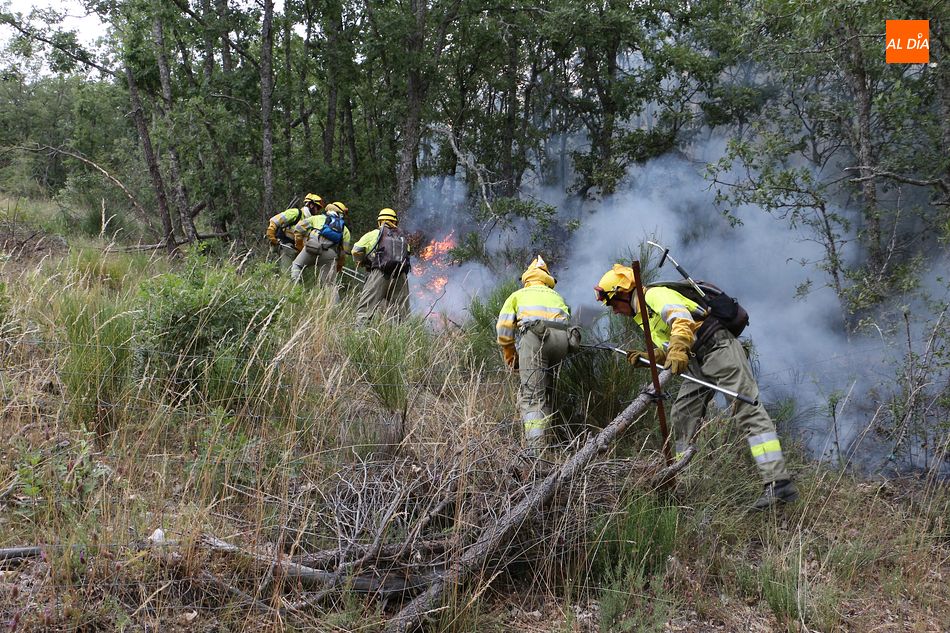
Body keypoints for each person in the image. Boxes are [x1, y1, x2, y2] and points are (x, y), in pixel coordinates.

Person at [594, 263, 798, 510]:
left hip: (717, 347)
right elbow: (672, 345)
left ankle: (778, 482)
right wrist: (654, 357)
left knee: (746, 409)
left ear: (624, 292)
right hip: (697, 359)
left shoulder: (653, 295)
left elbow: (681, 320)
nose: (613, 310)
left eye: (612, 302)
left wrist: (679, 348)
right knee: (682, 414)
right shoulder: (642, 314)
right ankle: (685, 481)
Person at [496, 256, 578, 458]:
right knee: (547, 392)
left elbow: (504, 328)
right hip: (562, 341)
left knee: (532, 396)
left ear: (527, 278)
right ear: (546, 278)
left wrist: (510, 356)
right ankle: (547, 440)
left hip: (536, 338)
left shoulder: (518, 294)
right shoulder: (556, 296)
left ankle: (536, 453)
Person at [351, 208, 411, 325]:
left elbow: (356, 251)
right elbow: (407, 255)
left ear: (379, 221)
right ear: (395, 222)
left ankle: (359, 336)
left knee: (365, 310)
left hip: (380, 273)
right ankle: (404, 339)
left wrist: (363, 262)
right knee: (402, 314)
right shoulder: (403, 238)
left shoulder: (374, 234)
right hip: (400, 276)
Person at [290, 201, 352, 286]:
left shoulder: (316, 218)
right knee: (330, 285)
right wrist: (339, 266)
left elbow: (298, 229)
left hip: (311, 248)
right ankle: (332, 299)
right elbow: (343, 252)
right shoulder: (345, 230)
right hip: (330, 255)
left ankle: (295, 288)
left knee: (296, 265)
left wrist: (300, 245)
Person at [266, 193, 324, 269]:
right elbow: (274, 220)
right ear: (311, 205)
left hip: (295, 250)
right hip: (285, 245)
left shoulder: (311, 221)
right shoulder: (296, 213)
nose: (318, 211)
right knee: (286, 274)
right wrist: (271, 235)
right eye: (318, 207)